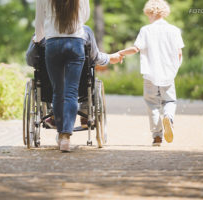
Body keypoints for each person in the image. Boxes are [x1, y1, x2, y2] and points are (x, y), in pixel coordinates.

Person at [34, 0, 122, 152]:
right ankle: (66, 137)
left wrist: (39, 38)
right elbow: (84, 17)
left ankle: (61, 134)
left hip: (53, 43)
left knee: (58, 91)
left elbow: (39, 21)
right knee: (71, 92)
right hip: (75, 42)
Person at [118, 0, 184, 146]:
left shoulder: (146, 30)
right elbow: (179, 53)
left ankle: (157, 136)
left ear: (150, 13)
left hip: (150, 74)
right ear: (164, 12)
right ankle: (168, 117)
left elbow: (135, 49)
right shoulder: (174, 30)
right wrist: (174, 69)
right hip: (168, 73)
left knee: (152, 104)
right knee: (170, 101)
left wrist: (121, 53)